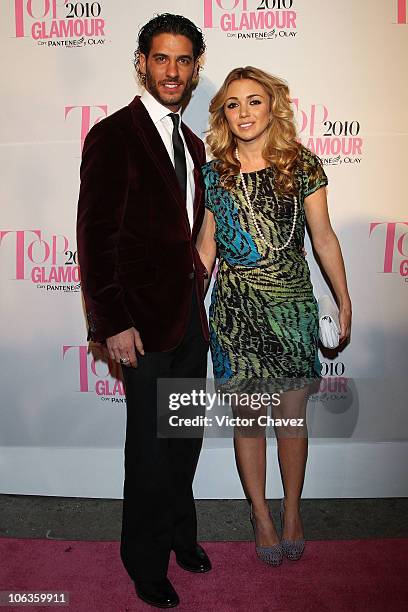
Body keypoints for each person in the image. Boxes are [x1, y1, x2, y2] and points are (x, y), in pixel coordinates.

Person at [77, 14, 211, 609]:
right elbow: (96, 237)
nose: (173, 71)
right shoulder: (113, 135)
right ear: (142, 62)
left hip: (189, 320)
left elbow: (187, 232)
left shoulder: (194, 143)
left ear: (195, 68)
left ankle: (181, 535)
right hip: (140, 326)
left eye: (184, 60)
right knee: (150, 449)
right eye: (162, 59)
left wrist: (200, 279)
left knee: (183, 439)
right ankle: (144, 560)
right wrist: (112, 324)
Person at [196, 66, 352, 566]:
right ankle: (260, 515)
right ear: (224, 114)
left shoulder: (302, 166)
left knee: (289, 418)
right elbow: (205, 249)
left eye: (254, 101)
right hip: (235, 313)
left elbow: (323, 237)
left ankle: (291, 512)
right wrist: (176, 307)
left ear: (273, 106)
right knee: (248, 421)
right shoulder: (213, 173)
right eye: (234, 104)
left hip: (291, 308)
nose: (244, 112)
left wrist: (344, 298)